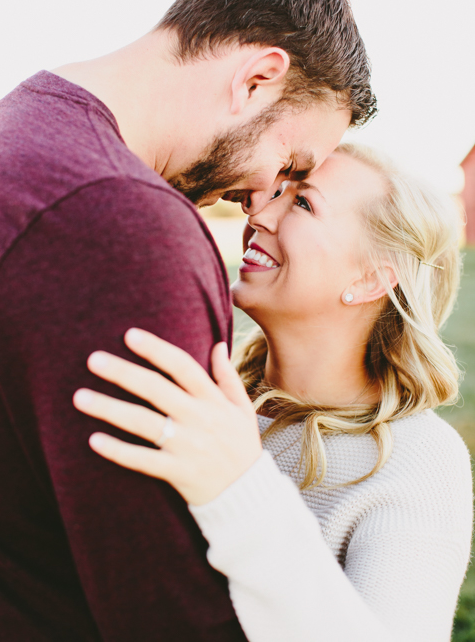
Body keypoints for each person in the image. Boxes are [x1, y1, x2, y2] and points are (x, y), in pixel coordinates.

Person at [0, 0, 375, 641]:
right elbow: (167, 601)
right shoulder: (123, 222)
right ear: (257, 78)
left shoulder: (17, 127)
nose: (262, 199)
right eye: (290, 164)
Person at [74, 144, 473, 642]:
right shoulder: (212, 395)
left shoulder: (419, 461)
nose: (259, 211)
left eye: (302, 203)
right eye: (276, 192)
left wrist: (239, 490)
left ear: (372, 278)